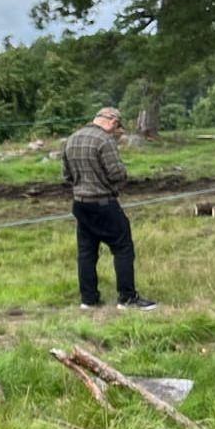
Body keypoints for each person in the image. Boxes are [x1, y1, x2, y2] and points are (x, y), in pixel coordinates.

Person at [63, 107, 158, 310]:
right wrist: (115, 184)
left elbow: (66, 174)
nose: (115, 130)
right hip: (103, 202)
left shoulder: (72, 139)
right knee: (123, 247)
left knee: (86, 252)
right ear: (111, 121)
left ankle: (88, 299)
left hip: (80, 203)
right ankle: (127, 298)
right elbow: (116, 173)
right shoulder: (104, 141)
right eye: (116, 126)